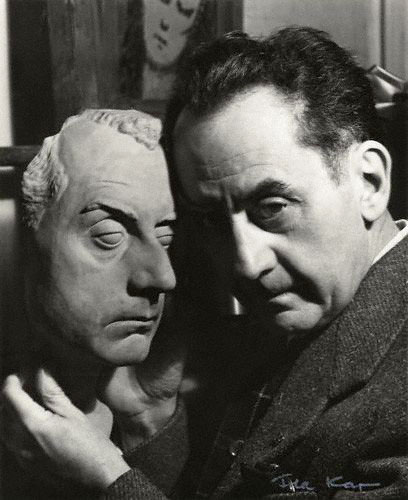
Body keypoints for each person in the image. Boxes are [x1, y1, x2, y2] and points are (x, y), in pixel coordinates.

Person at [2, 27, 408, 499]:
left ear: (370, 182)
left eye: (272, 208)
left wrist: (106, 477)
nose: (245, 264)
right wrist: (146, 420)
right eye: (212, 220)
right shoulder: (287, 317)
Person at [0, 108, 186, 499]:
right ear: (31, 245)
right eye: (108, 235)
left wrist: (143, 427)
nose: (162, 276)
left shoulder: (158, 406)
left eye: (165, 239)